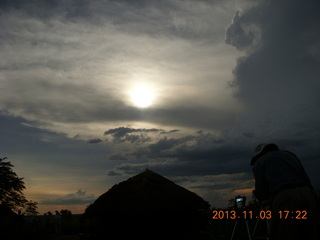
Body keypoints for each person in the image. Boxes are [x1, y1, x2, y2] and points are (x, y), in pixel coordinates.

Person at [251, 143, 318, 240]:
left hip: (285, 199)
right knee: (309, 233)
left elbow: (262, 194)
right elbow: (305, 178)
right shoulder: (289, 155)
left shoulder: (260, 162)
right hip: (307, 195)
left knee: (282, 233)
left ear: (258, 155)